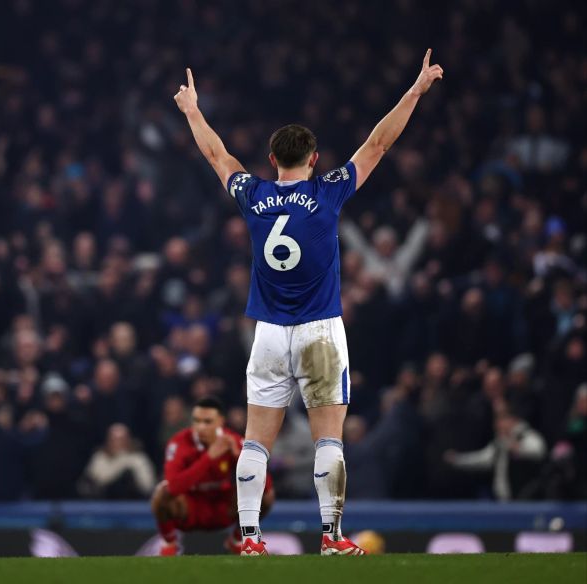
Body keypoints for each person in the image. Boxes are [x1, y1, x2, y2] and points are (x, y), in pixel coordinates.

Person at [173, 50, 443, 555]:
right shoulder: (329, 192)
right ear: (313, 159)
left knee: (255, 440)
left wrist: (192, 111)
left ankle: (250, 537)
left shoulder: (252, 194)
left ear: (272, 160)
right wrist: (416, 91)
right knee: (328, 438)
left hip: (269, 332)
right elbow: (380, 143)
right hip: (321, 329)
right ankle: (332, 535)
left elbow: (217, 155)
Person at [150, 397, 274, 556]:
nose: (201, 427)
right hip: (190, 508)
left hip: (222, 507)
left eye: (207, 422)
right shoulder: (179, 442)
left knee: (267, 496)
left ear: (220, 421)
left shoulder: (234, 441)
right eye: (197, 421)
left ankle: (237, 539)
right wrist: (209, 457)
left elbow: (266, 484)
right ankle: (169, 542)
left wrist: (239, 458)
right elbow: (173, 487)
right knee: (161, 493)